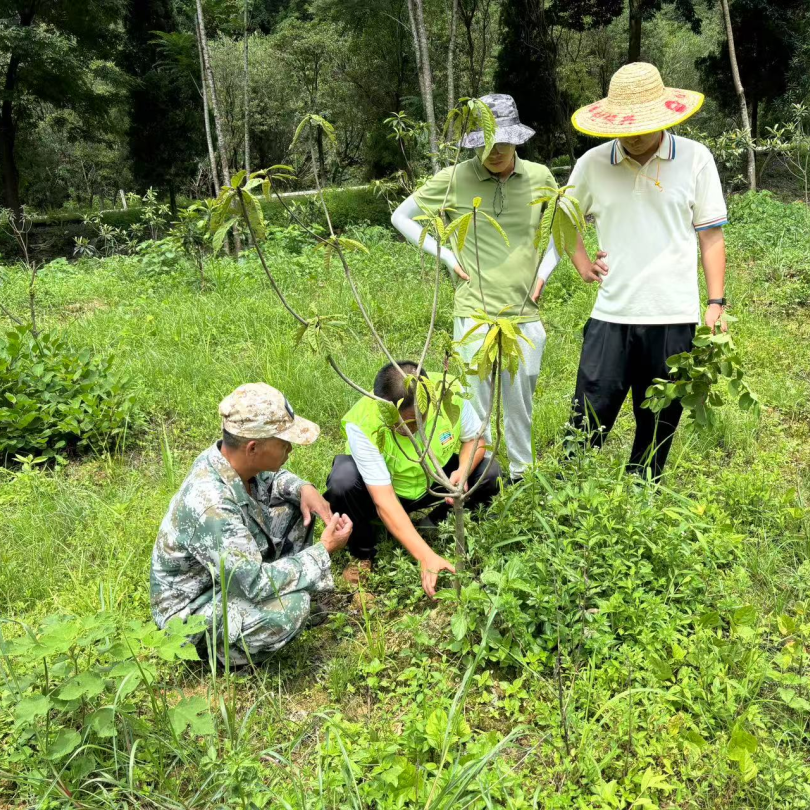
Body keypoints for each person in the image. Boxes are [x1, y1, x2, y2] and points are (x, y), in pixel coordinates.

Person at [565, 62, 729, 479]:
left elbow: (711, 236)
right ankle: (565, 494)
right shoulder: (592, 163)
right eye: (627, 125)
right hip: (612, 312)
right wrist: (580, 260)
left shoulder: (695, 158)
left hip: (673, 315)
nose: (634, 135)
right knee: (588, 413)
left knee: (658, 419)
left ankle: (643, 494)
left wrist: (715, 303)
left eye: (643, 124)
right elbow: (562, 217)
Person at [391, 93, 560, 482]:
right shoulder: (454, 178)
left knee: (520, 400)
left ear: (516, 138)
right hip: (474, 311)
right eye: (485, 143)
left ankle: (522, 475)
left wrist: (544, 271)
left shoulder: (539, 177)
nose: (494, 152)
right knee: (474, 405)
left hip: (523, 310)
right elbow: (402, 216)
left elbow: (555, 231)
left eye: (502, 142)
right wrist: (448, 255)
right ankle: (478, 476)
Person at [150, 382, 353, 668]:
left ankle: (289, 587)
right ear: (253, 447)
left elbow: (272, 481)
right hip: (191, 612)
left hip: (226, 580)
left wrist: (302, 488)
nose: (290, 449)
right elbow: (255, 583)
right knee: (291, 609)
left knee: (295, 503)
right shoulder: (212, 507)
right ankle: (220, 656)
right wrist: (324, 550)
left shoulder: (230, 459)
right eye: (284, 443)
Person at [324, 361, 501, 597]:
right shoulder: (364, 421)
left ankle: (431, 523)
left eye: (416, 420)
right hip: (386, 488)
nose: (409, 430)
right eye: (400, 424)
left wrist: (463, 471)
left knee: (489, 474)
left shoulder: (449, 394)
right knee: (342, 480)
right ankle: (362, 553)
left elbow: (475, 439)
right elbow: (383, 499)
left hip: (435, 478)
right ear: (382, 408)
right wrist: (426, 556)